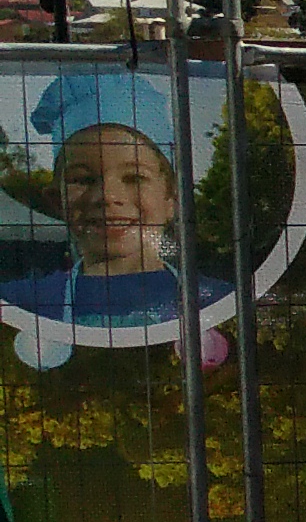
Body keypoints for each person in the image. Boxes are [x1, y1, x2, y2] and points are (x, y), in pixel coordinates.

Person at [8, 70, 231, 333]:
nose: (108, 197)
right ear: (57, 201)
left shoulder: (220, 302)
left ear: (172, 199)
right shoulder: (18, 305)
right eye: (83, 179)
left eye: (134, 178)